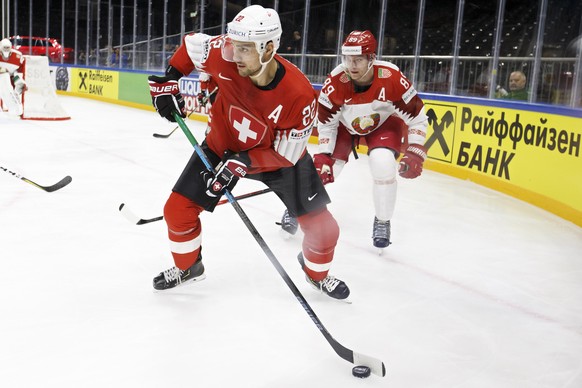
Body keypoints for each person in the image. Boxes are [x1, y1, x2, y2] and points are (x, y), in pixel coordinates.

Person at [147, 5, 350, 300]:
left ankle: (317, 274)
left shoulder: (300, 95)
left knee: (325, 229)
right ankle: (189, 268)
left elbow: (289, 154)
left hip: (277, 160)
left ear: (268, 48)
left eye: (244, 50)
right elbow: (191, 47)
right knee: (177, 212)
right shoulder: (223, 54)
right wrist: (169, 80)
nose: (234, 56)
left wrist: (245, 162)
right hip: (221, 146)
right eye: (233, 46)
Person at [279, 30, 428, 250]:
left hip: (383, 124)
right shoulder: (336, 81)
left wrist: (416, 148)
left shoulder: (393, 78)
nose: (351, 65)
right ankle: (297, 207)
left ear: (372, 58)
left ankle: (383, 221)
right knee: (327, 169)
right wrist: (323, 155)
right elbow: (327, 123)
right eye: (347, 58)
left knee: (383, 163)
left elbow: (417, 117)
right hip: (344, 126)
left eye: (358, 59)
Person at [0, 38, 27, 114]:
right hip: (4, 76)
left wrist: (18, 81)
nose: (6, 50)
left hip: (11, 76)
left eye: (7, 48)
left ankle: (16, 107)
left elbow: (17, 70)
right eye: (4, 48)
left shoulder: (17, 56)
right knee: (4, 80)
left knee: (15, 84)